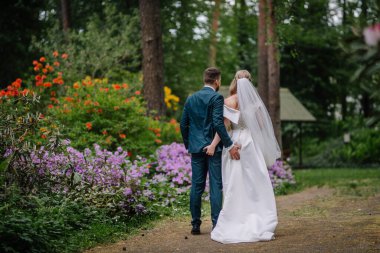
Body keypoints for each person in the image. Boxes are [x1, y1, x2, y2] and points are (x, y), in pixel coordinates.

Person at [205, 70, 281, 244]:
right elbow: (262, 127)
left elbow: (222, 128)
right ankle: (259, 216)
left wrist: (214, 145)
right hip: (250, 144)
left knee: (235, 182)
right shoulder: (256, 104)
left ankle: (235, 217)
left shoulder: (228, 101)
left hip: (234, 143)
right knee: (255, 181)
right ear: (250, 82)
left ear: (234, 81)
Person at [180, 67, 241, 235]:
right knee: (215, 186)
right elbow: (218, 123)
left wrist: (189, 144)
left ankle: (195, 225)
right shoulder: (216, 97)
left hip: (196, 149)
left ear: (204, 79)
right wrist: (229, 145)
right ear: (217, 81)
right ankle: (216, 225)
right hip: (213, 149)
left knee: (196, 187)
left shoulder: (191, 99)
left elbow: (183, 124)